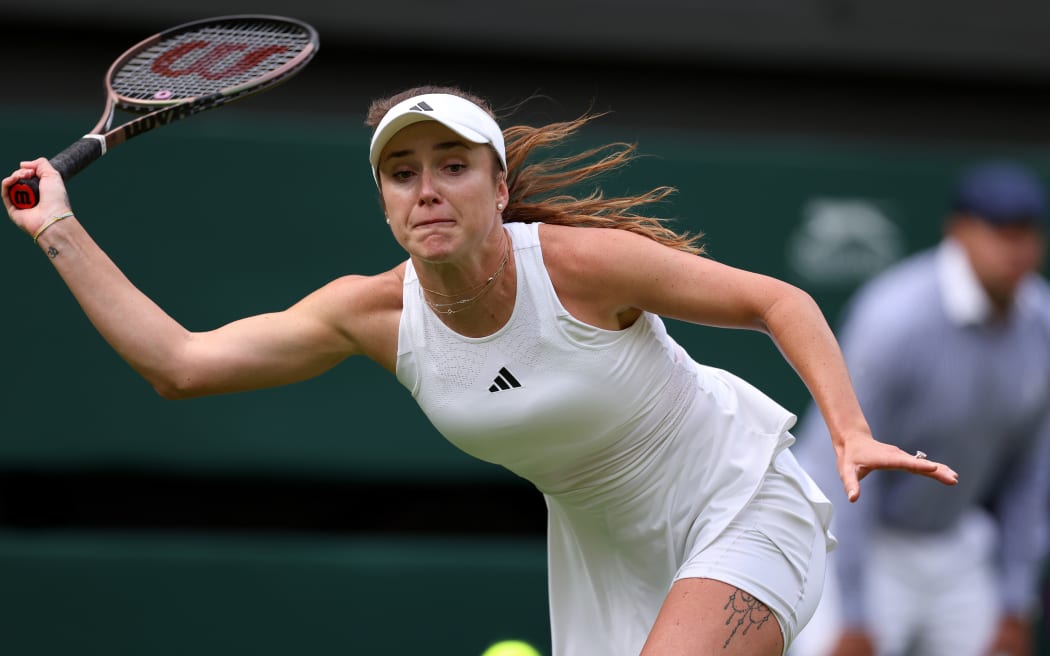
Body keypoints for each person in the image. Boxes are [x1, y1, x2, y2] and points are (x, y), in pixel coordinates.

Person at [2, 85, 959, 656]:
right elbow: (181, 365)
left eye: (453, 165)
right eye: (403, 170)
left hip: (741, 500)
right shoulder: (371, 314)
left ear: (498, 186)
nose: (427, 188)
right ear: (382, 200)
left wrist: (848, 426)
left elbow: (775, 301)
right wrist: (59, 229)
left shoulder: (579, 266)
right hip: (600, 558)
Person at [789, 160, 1050, 656]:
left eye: (1027, 232)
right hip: (850, 534)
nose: (1016, 249)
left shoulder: (1042, 324)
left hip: (956, 541)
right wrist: (855, 614)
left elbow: (1032, 477)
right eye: (1000, 230)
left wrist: (1017, 603)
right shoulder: (896, 317)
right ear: (960, 232)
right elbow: (842, 465)